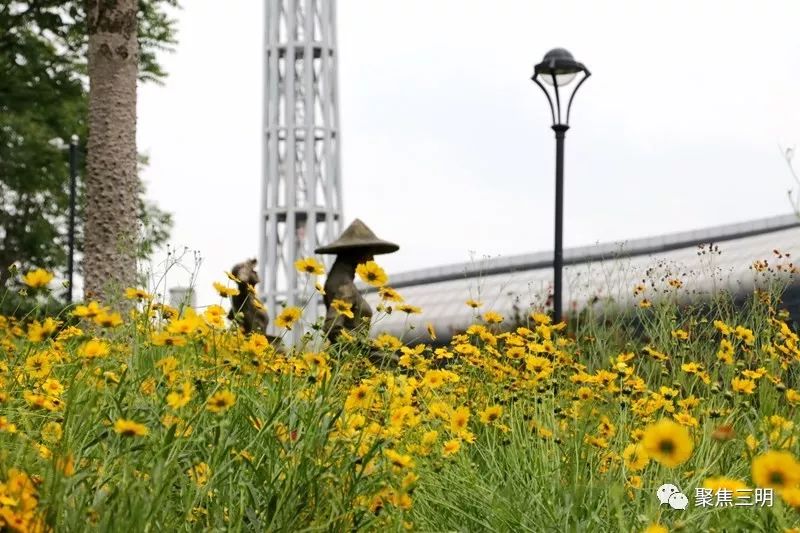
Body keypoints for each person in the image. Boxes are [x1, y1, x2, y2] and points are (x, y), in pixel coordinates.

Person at [315, 219, 399, 344]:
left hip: (351, 355)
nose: (372, 258)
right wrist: (364, 345)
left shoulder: (342, 281)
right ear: (357, 252)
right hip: (348, 355)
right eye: (370, 252)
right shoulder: (343, 285)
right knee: (389, 358)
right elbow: (332, 328)